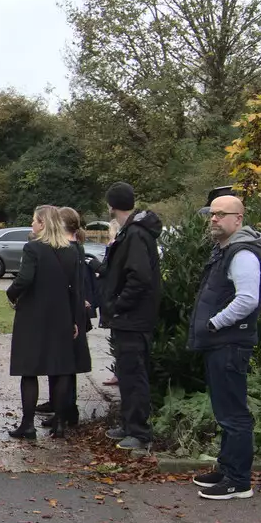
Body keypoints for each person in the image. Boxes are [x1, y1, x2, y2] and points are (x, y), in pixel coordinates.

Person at [189, 195, 261, 500]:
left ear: (238, 218)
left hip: (230, 343)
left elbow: (248, 299)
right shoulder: (226, 251)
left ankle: (238, 481)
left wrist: (215, 323)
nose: (214, 219)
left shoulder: (243, 254)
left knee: (234, 413)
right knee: (225, 411)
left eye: (221, 214)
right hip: (221, 343)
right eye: (212, 214)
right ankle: (227, 468)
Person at [6, 205, 83, 440]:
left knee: (29, 370)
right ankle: (59, 424)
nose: (32, 225)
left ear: (42, 223)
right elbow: (76, 288)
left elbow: (25, 278)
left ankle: (28, 425)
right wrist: (74, 317)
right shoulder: (72, 250)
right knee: (59, 369)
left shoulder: (33, 249)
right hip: (61, 315)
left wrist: (11, 293)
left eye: (33, 221)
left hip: (34, 314)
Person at [99, 182, 164, 451]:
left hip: (133, 318)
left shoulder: (135, 234)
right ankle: (129, 425)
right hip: (130, 317)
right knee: (126, 372)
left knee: (134, 374)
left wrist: (117, 304)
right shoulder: (133, 233)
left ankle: (139, 431)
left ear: (111, 206)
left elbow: (139, 277)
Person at [41, 206, 97, 430]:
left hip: (68, 312)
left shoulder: (69, 249)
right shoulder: (76, 247)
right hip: (74, 310)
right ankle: (62, 406)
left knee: (63, 364)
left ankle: (64, 409)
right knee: (65, 363)